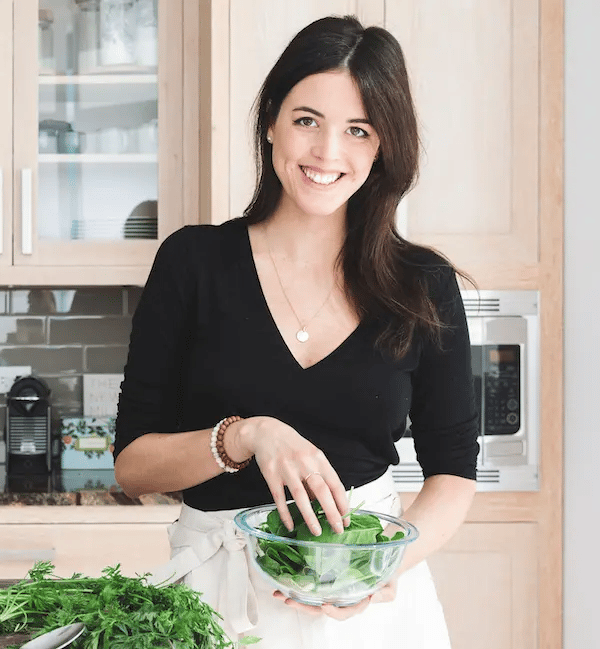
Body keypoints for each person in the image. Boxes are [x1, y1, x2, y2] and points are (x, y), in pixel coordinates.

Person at [113, 14, 479, 648]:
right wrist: (245, 435)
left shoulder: (422, 283)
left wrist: (376, 569)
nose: (327, 153)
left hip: (368, 610)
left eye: (358, 130)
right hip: (214, 601)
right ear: (271, 123)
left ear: (383, 146)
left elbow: (453, 470)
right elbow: (133, 466)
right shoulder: (192, 262)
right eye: (307, 120)